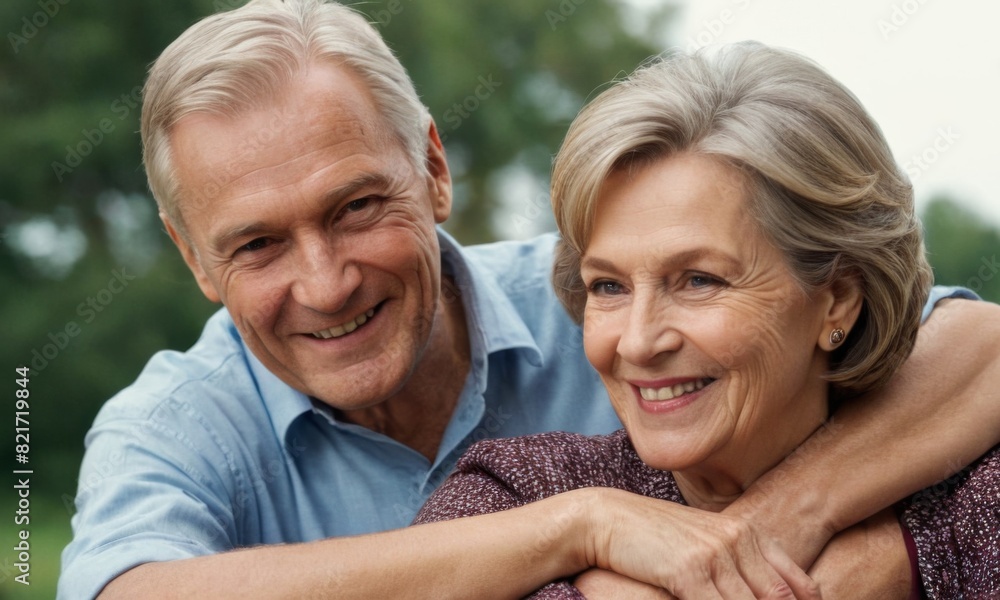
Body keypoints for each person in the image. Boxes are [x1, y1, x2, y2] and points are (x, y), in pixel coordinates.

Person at [57, 0, 1000, 597]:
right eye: (257, 244)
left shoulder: (602, 279)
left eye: (356, 207)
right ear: (193, 258)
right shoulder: (178, 423)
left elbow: (971, 346)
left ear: (433, 168)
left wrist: (775, 535)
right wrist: (581, 525)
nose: (326, 280)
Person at [413, 42, 1000, 598]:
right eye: (609, 286)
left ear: (838, 300)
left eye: (699, 280)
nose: (639, 342)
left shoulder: (974, 499)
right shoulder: (515, 496)